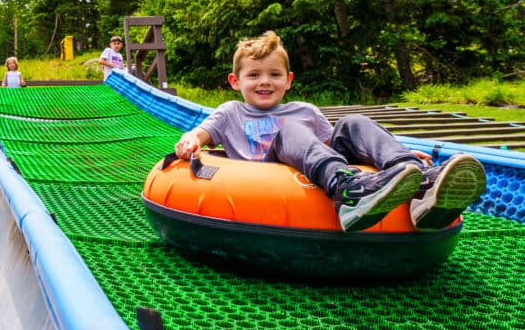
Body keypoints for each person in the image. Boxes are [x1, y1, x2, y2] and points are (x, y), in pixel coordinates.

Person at [172, 30, 487, 232]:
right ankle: (347, 191)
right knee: (289, 132)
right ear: (235, 81)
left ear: (289, 79)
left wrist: (384, 153)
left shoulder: (306, 110)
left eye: (274, 74)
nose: (265, 82)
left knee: (353, 122)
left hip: (315, 164)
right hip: (265, 177)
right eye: (254, 75)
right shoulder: (231, 111)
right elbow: (203, 132)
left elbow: (332, 144)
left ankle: (419, 180)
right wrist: (190, 140)